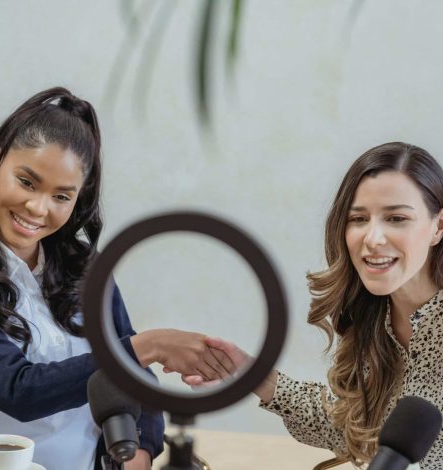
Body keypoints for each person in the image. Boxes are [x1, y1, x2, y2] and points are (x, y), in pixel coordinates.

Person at [0, 87, 233, 470]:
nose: (38, 208)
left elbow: (137, 378)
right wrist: (150, 345)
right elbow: (18, 390)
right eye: (27, 182)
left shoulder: (85, 267)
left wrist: (140, 454)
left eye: (62, 196)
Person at [181, 142, 443, 469]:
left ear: (438, 227)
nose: (373, 238)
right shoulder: (376, 320)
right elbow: (351, 429)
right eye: (358, 219)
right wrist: (251, 374)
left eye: (396, 218)